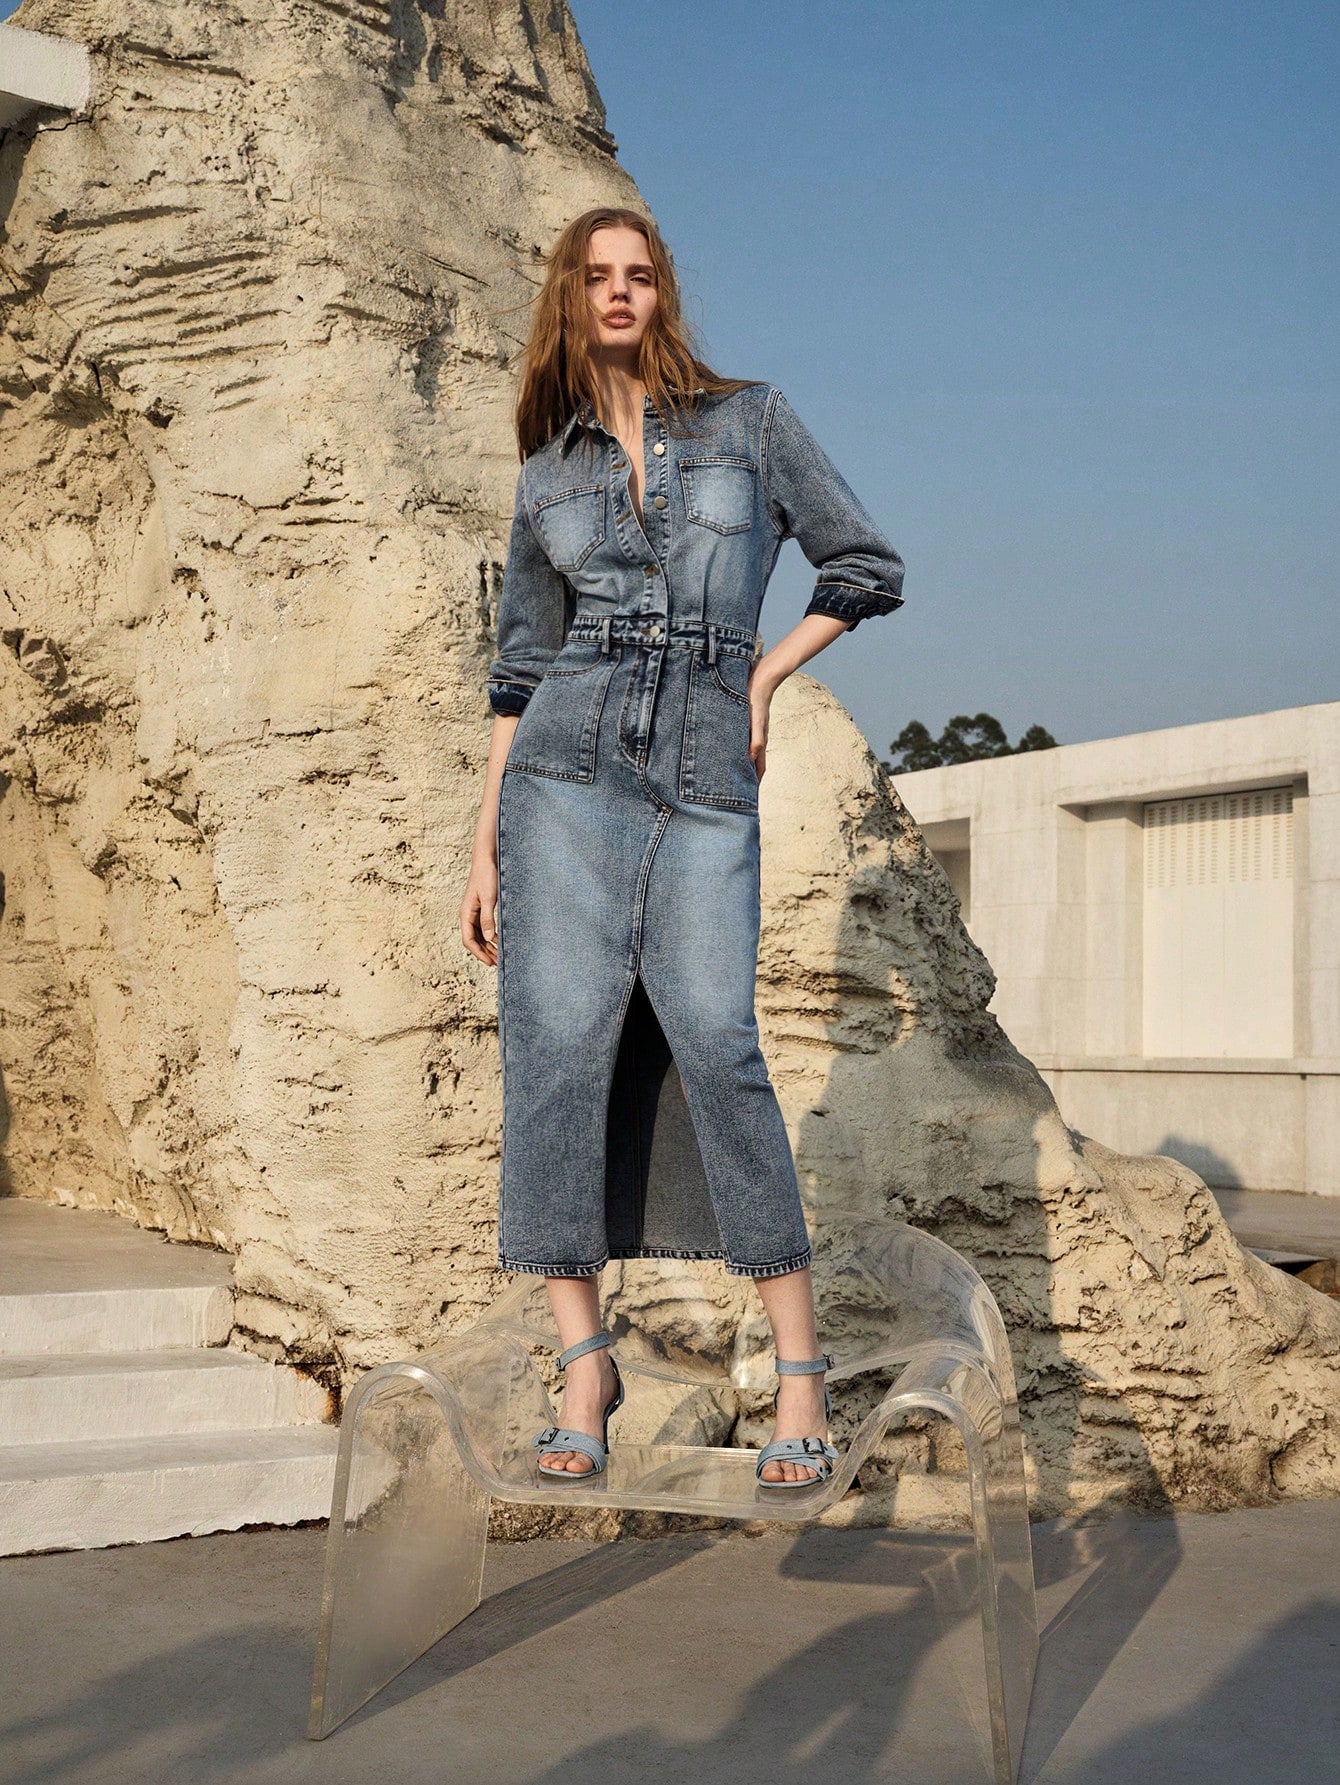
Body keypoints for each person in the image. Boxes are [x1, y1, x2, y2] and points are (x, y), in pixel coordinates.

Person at [459, 205, 904, 1487]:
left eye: (640, 275)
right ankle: (584, 1365)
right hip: (560, 775)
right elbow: (518, 671)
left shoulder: (748, 422)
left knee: (717, 1044)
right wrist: (483, 845)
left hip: (707, 769)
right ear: (568, 294)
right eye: (597, 276)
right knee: (553, 1055)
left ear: (661, 294)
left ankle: (799, 1377)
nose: (620, 293)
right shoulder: (545, 472)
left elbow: (863, 565)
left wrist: (761, 674)